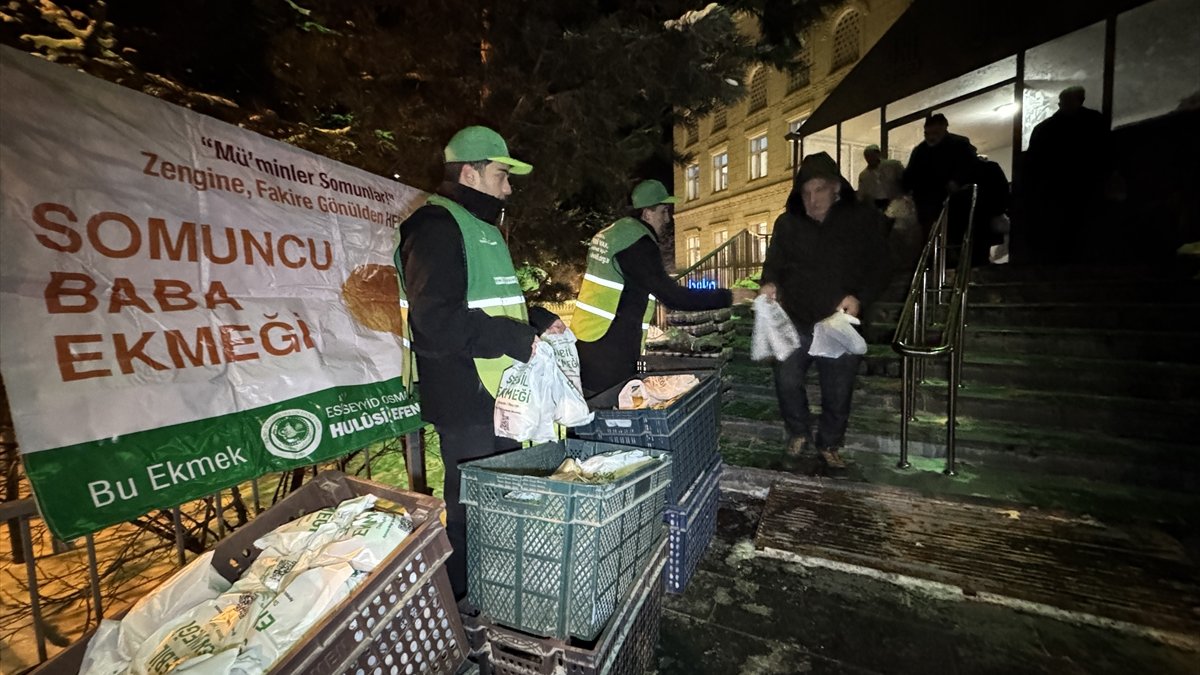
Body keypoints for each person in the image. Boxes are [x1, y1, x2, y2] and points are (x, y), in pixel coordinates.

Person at [394, 125, 552, 602]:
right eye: (502, 174)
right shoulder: (436, 227)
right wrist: (514, 337)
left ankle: (494, 587)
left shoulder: (479, 228)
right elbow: (437, 322)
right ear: (470, 172)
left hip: (493, 389)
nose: (509, 187)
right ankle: (462, 602)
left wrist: (539, 319)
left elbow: (492, 302)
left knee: (495, 500)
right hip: (464, 397)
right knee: (469, 505)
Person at [760, 152, 889, 473]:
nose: (812, 199)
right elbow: (773, 263)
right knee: (787, 381)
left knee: (838, 388)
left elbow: (881, 268)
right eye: (805, 192)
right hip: (795, 320)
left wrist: (860, 297)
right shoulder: (787, 223)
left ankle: (829, 443)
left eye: (819, 190)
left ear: (836, 189)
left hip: (840, 321)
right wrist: (769, 284)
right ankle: (798, 432)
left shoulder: (862, 219)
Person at [573, 179, 752, 396]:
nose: (668, 218)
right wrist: (729, 297)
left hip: (590, 338)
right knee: (612, 410)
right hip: (612, 347)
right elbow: (673, 296)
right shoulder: (637, 243)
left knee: (591, 405)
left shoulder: (612, 234)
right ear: (647, 213)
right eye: (663, 211)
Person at [1022, 86, 1112, 264]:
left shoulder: (1046, 128)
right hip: (1078, 186)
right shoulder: (1093, 121)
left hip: (1064, 187)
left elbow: (1033, 163)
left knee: (1070, 230)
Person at [903, 113, 978, 237]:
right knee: (929, 235)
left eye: (935, 133)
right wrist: (906, 188)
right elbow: (910, 174)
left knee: (952, 234)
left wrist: (957, 181)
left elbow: (970, 166)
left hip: (953, 201)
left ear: (944, 129)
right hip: (927, 202)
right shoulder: (920, 151)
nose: (931, 137)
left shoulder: (960, 145)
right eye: (927, 134)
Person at [857, 144, 904, 211]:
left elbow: (904, 179)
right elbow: (861, 193)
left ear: (878, 154)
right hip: (875, 206)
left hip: (894, 202)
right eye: (867, 156)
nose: (870, 158)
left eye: (872, 155)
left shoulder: (893, 166)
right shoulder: (864, 175)